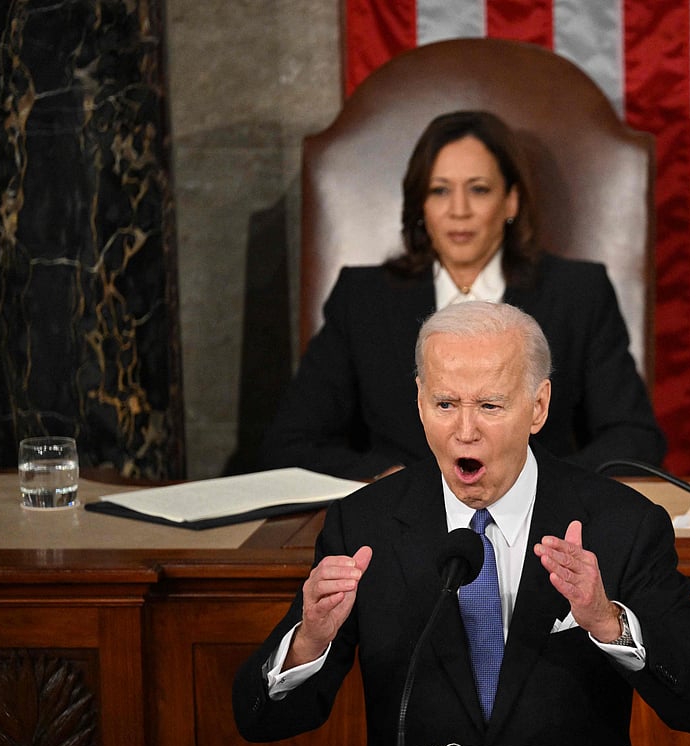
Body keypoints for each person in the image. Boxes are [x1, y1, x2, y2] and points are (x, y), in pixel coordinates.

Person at [234, 301, 690, 746]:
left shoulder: (620, 525)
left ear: (538, 407)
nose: (464, 430)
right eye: (445, 404)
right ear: (419, 400)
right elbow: (261, 721)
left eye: (489, 406)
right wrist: (309, 640)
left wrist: (609, 623)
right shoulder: (364, 525)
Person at [260, 110, 665, 480]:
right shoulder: (362, 298)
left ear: (510, 201)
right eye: (439, 191)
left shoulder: (577, 293)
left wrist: (537, 486)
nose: (459, 210)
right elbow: (290, 445)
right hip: (402, 528)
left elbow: (634, 438)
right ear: (420, 204)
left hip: (541, 530)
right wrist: (391, 479)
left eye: (478, 189)